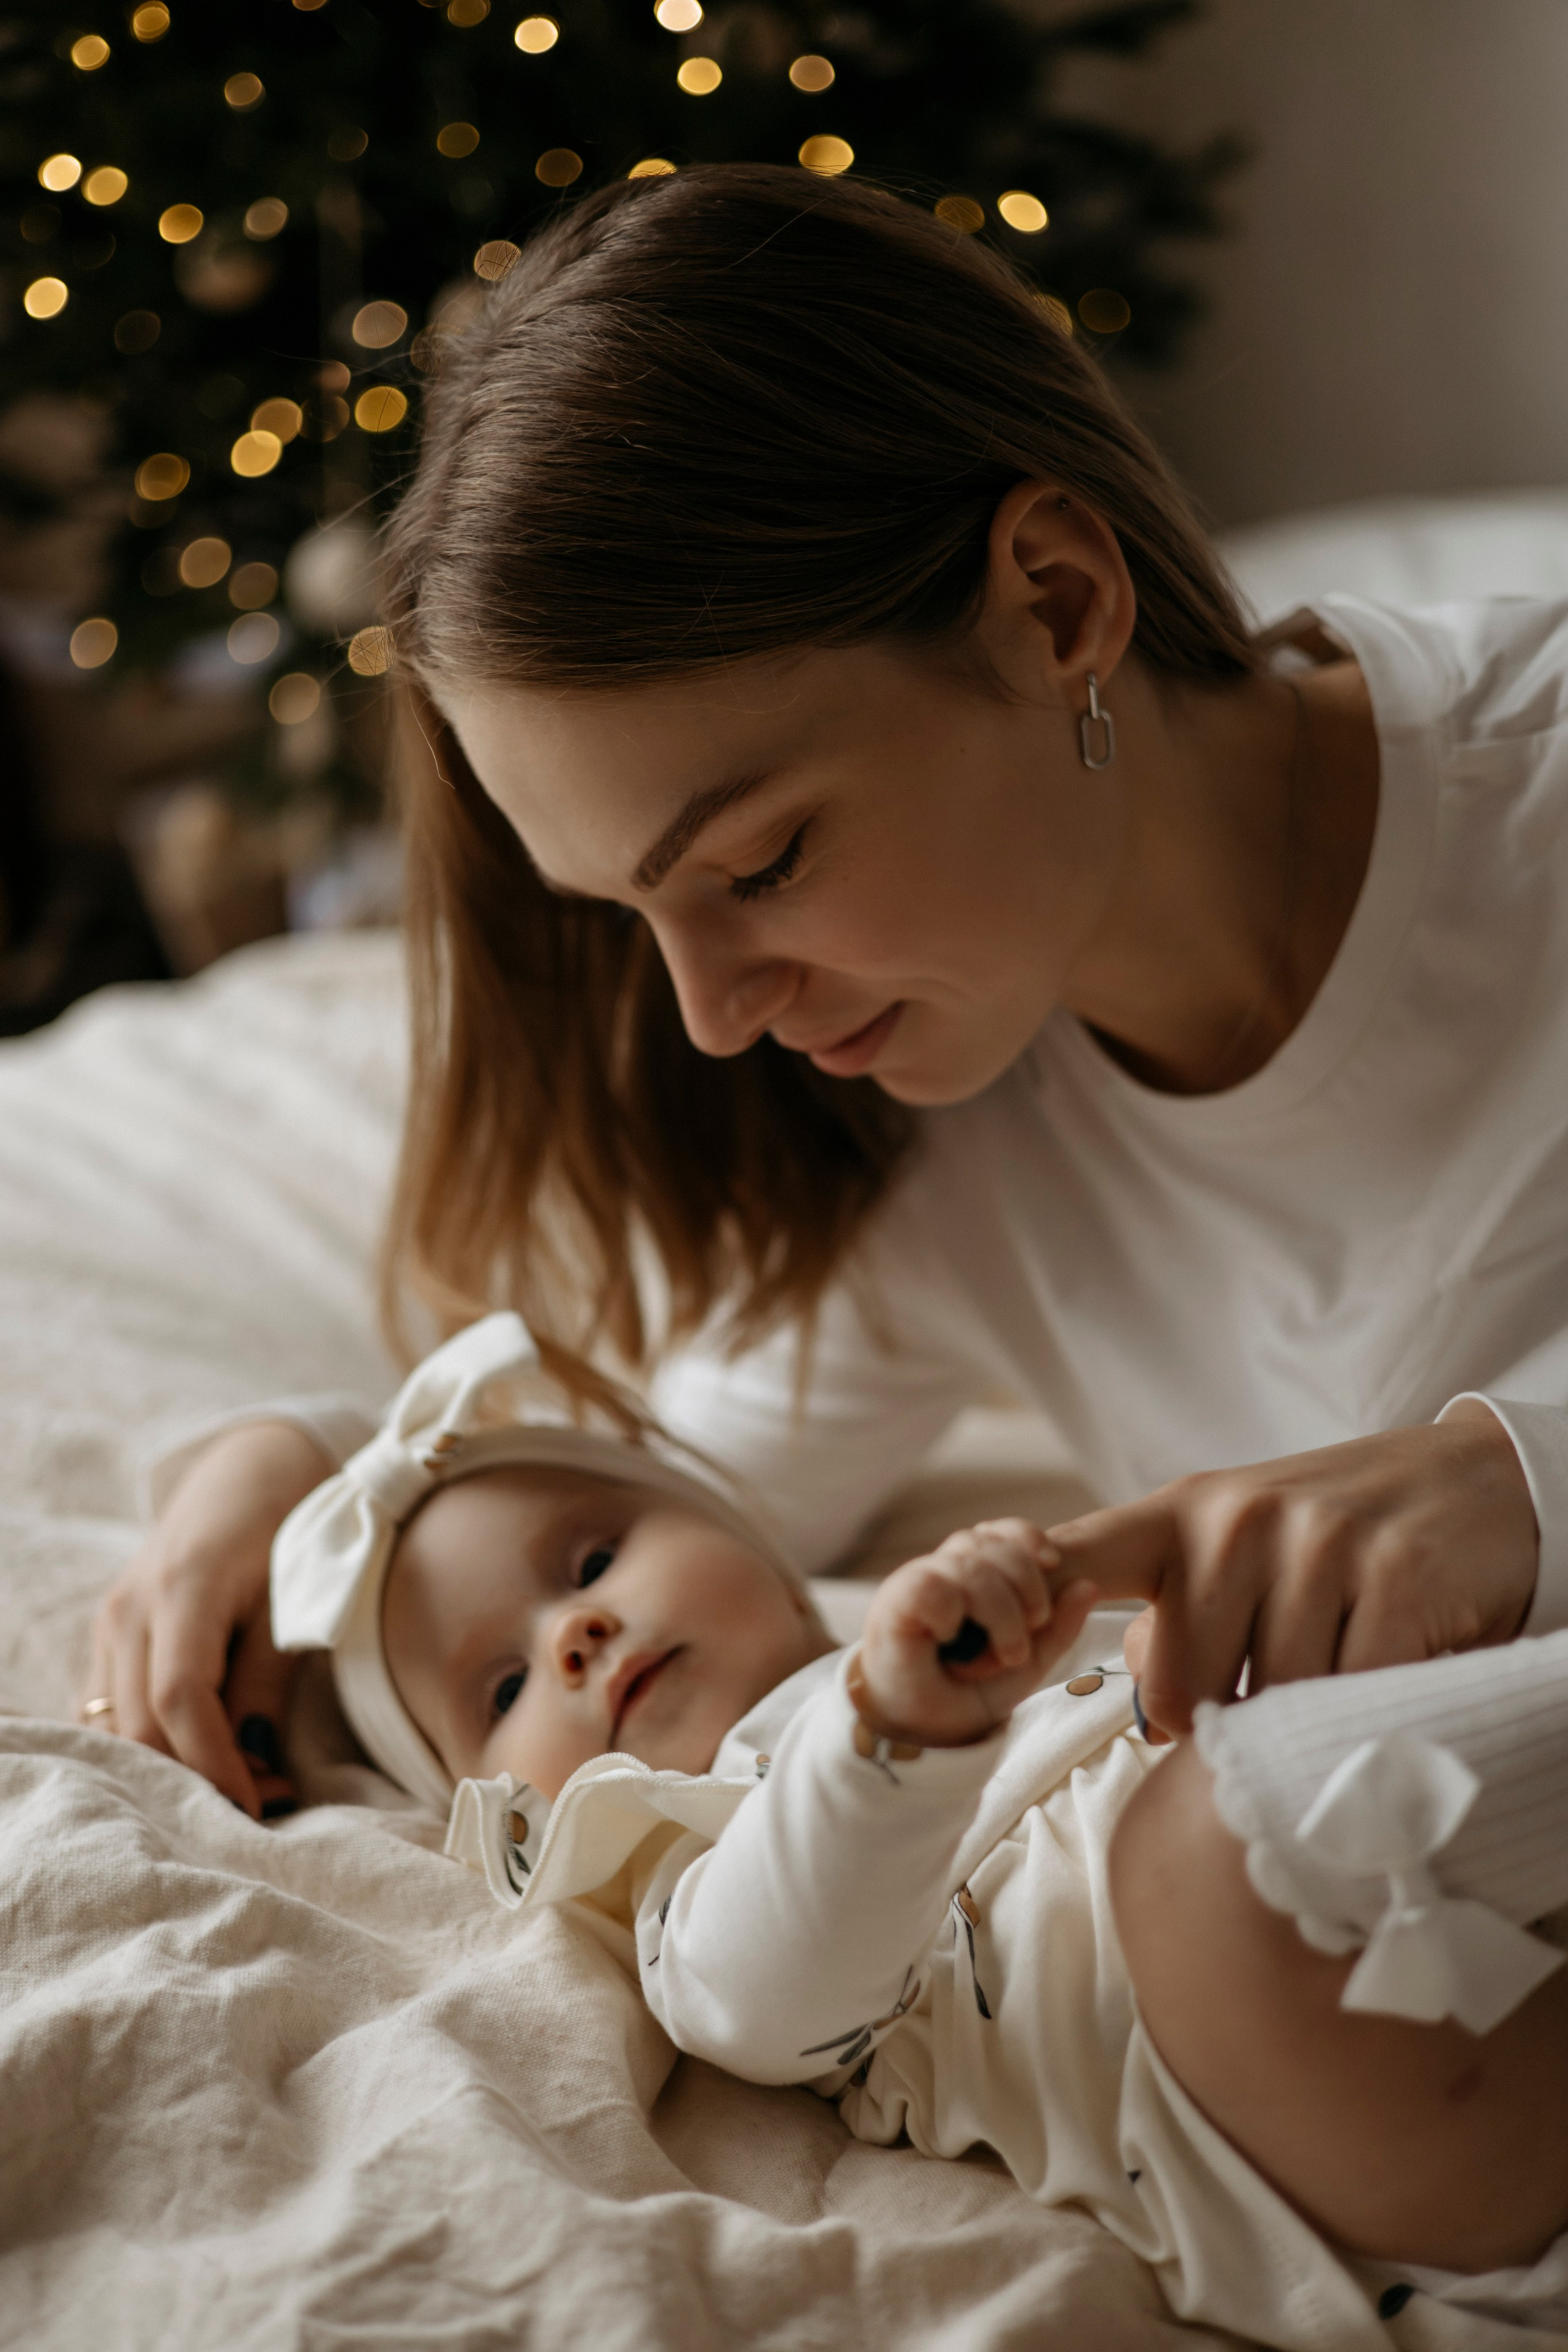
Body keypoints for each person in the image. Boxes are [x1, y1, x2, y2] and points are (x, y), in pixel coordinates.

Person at [87, 168, 1565, 1991]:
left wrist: (1522, 1484)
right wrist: (290, 1464)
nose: (711, 1013)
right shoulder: (931, 1127)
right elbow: (663, 1519)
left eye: (764, 863)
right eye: (636, 913)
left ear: (1054, 601)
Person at [262, 1312, 1568, 2348]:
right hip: (1328, 2104)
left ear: (757, 1551)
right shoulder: (694, 1878)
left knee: (1333, 1626)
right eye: (501, 1689)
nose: (576, 1632)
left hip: (1473, 1904)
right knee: (1206, 1847)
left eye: (593, 1559)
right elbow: (767, 1994)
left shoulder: (1010, 1617)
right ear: (511, 1823)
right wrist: (885, 1735)